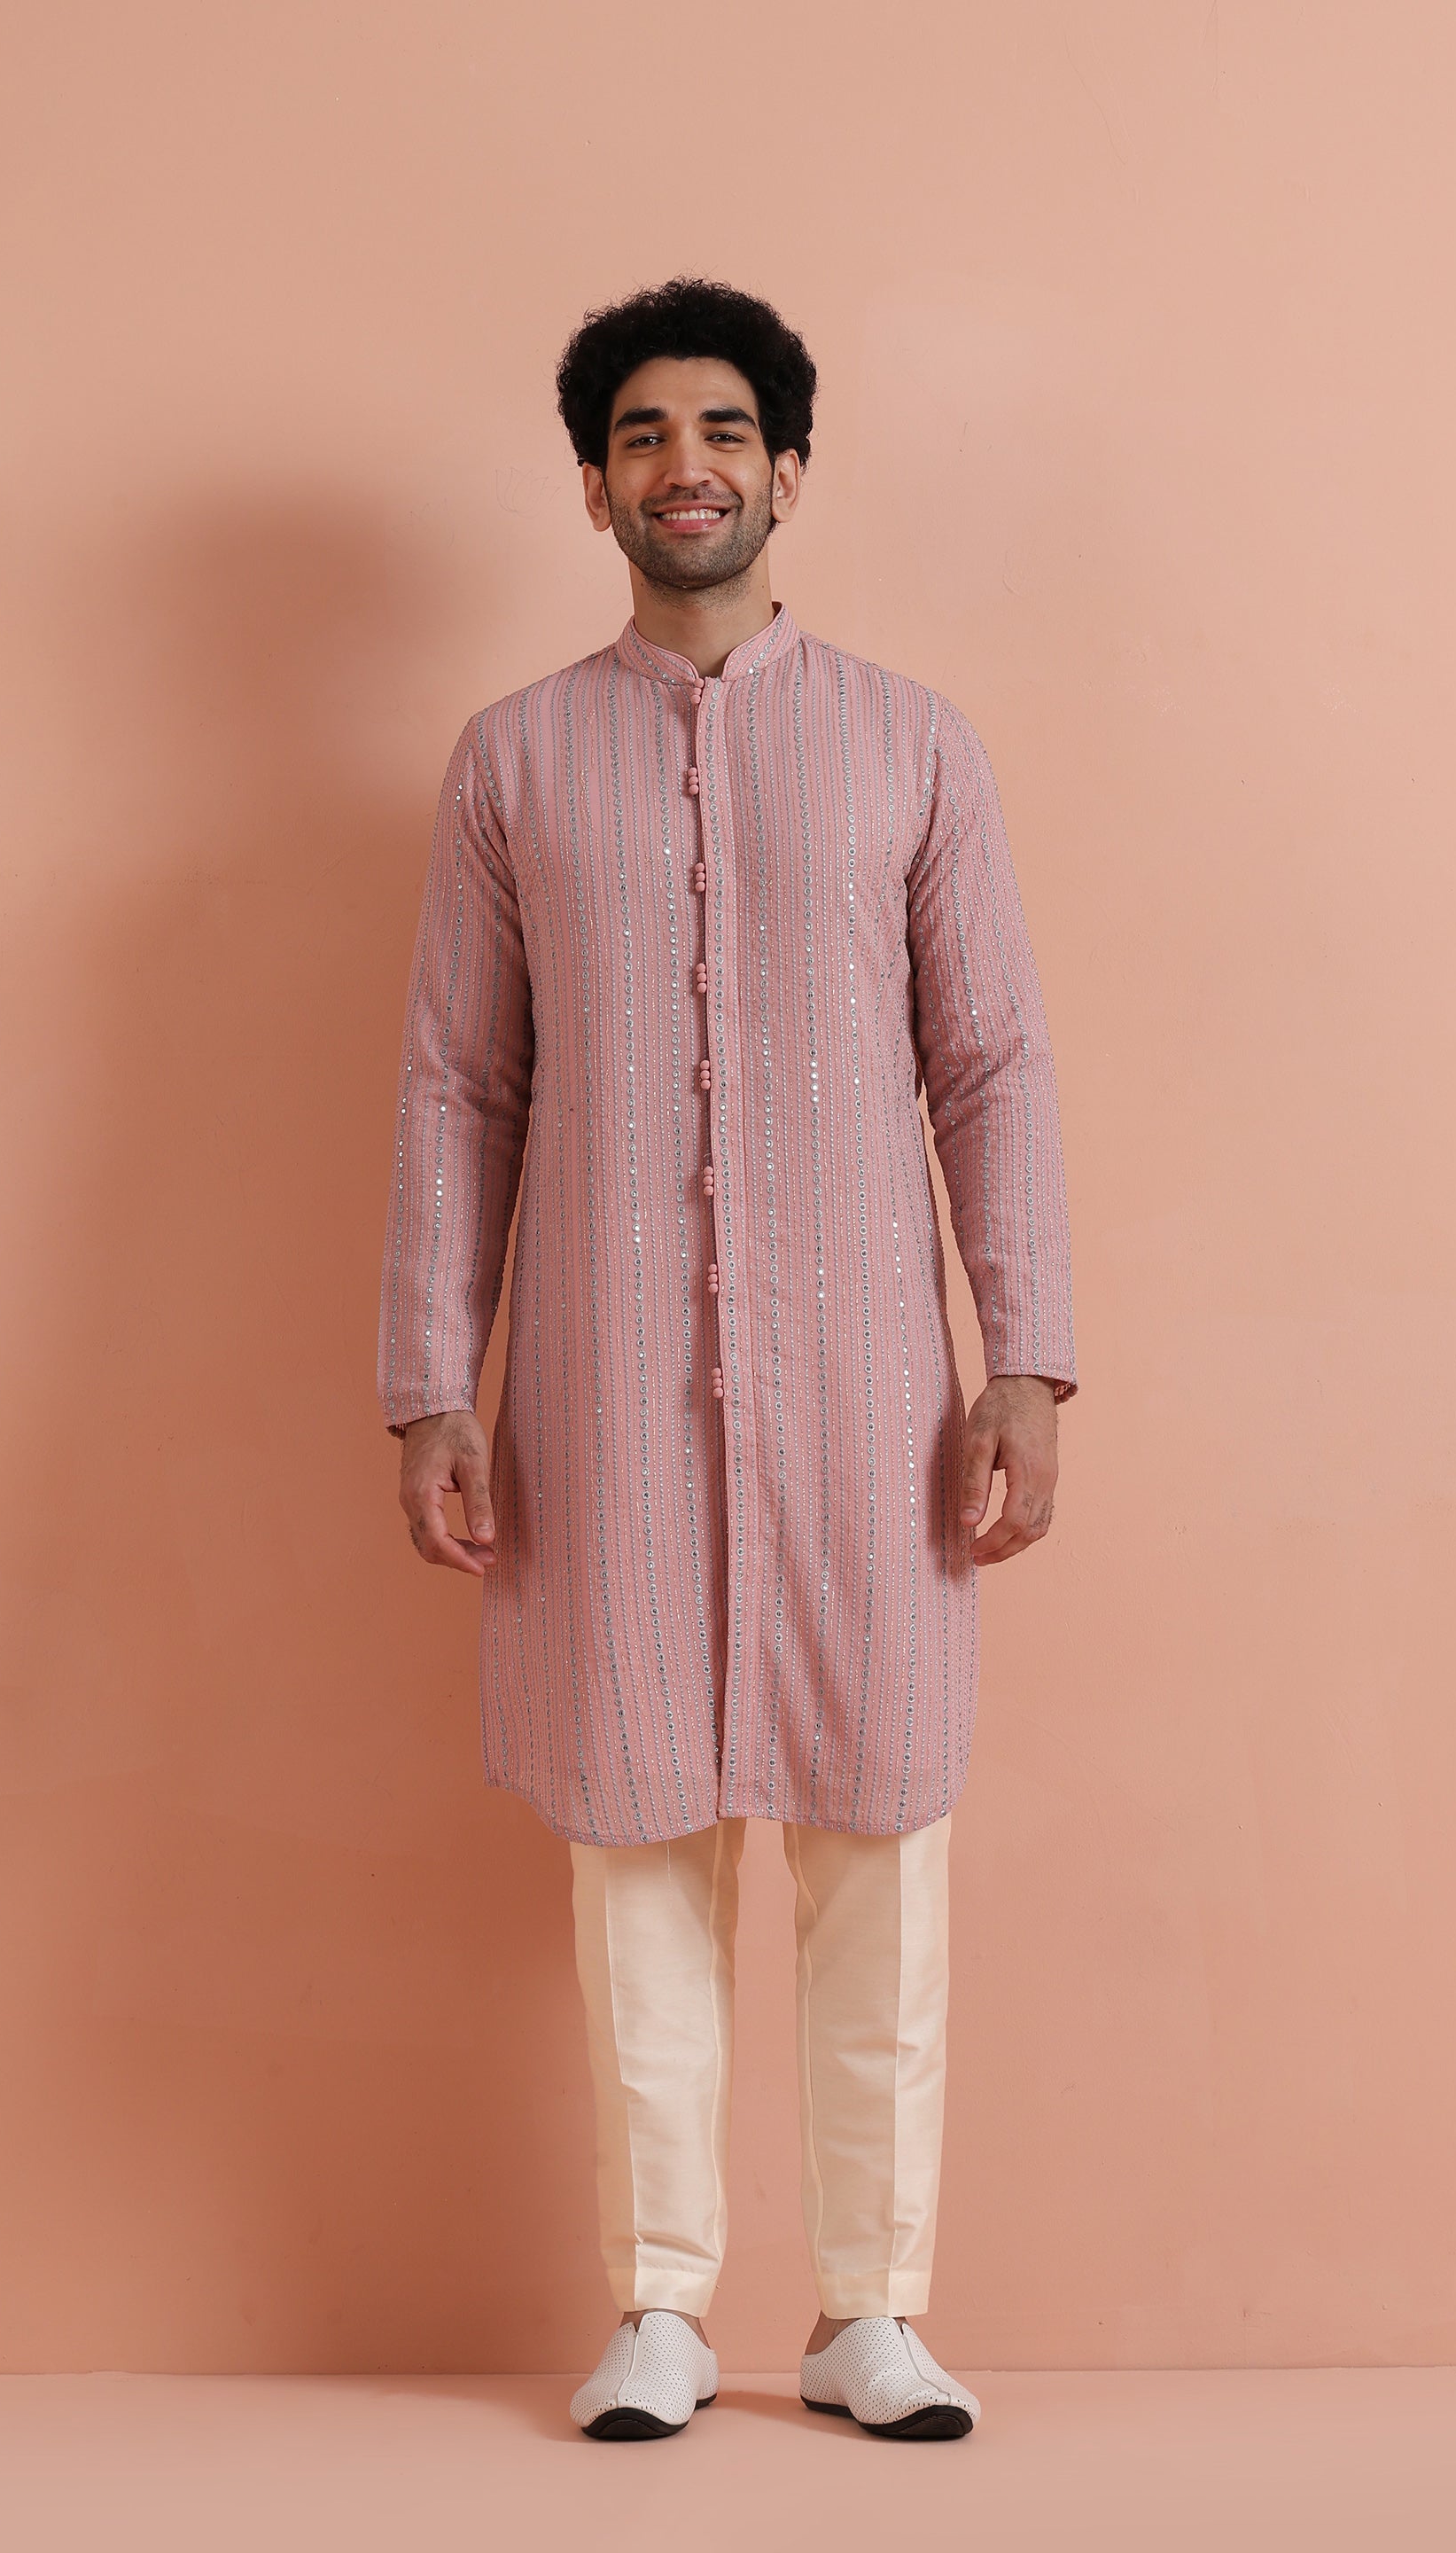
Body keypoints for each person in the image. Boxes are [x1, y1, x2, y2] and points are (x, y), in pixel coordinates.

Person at [378, 277, 1077, 2443]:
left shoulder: (914, 747)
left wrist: (1027, 1359)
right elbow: (460, 1086)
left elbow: (991, 1060)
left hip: (872, 1405)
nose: (689, 465)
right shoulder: (514, 761)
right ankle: (664, 2307)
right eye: (644, 435)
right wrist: (433, 1382)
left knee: (880, 1846)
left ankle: (873, 2312)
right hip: (601, 1401)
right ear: (594, 490)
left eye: (726, 430)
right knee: (635, 1856)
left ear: (789, 470)